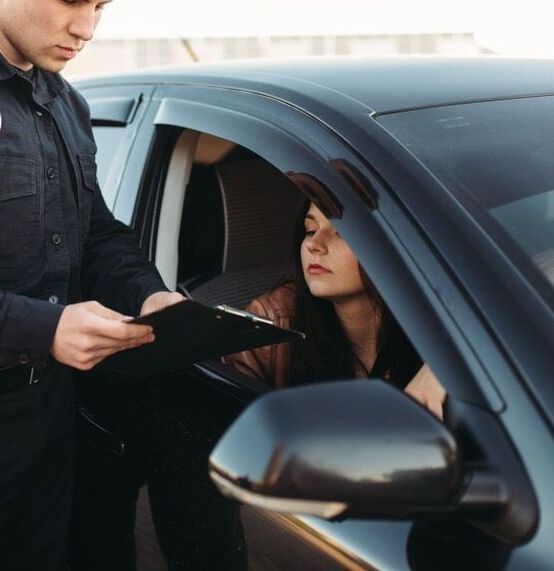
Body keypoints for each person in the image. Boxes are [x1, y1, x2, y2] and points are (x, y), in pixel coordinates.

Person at [0, 1, 183, 569]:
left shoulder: (66, 103)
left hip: (48, 413)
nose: (87, 29)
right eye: (73, 0)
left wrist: (151, 296)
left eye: (101, 6)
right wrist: (44, 327)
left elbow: (97, 234)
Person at [225, 201, 447, 417]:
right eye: (310, 230)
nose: (314, 244)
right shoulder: (272, 320)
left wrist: (440, 370)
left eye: (342, 232)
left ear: (391, 245)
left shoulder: (442, 323)